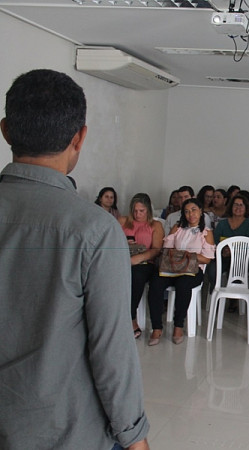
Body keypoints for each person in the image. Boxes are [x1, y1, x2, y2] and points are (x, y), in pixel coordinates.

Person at [0, 69, 149, 449]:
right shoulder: (94, 230)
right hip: (64, 432)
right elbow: (111, 350)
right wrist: (134, 437)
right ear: (79, 137)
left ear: (5, 131)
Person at [147, 198, 215, 346]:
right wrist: (180, 256)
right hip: (172, 268)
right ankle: (156, 327)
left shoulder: (206, 232)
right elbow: (167, 250)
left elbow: (207, 259)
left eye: (194, 210)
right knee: (155, 284)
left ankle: (178, 326)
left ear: (201, 211)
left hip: (193, 271)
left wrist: (186, 256)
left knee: (183, 285)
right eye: (187, 211)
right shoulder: (177, 228)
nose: (191, 214)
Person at [119, 193, 165, 338]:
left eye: (141, 211)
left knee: (136, 275)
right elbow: (110, 240)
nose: (138, 214)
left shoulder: (155, 225)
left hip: (145, 262)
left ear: (148, 211)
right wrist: (124, 243)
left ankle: (131, 317)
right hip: (122, 259)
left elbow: (157, 249)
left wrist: (139, 258)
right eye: (135, 211)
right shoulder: (122, 221)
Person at [207, 194, 249, 291]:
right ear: (231, 207)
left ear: (246, 208)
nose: (238, 207)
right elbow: (215, 241)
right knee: (212, 270)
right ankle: (215, 297)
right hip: (222, 257)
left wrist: (233, 251)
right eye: (235, 205)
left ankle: (234, 301)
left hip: (242, 259)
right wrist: (223, 251)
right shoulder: (222, 224)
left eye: (241, 205)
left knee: (236, 271)